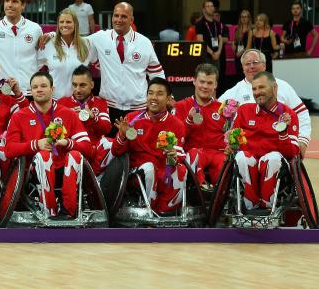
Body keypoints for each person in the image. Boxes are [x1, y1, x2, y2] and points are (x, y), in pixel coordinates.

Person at [3, 71, 91, 218]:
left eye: (43, 86)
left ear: (52, 89)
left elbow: (88, 148)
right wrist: (36, 144)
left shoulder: (68, 114)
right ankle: (49, 210)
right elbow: (9, 150)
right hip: (33, 171)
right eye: (35, 87)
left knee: (75, 155)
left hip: (64, 168)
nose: (39, 89)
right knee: (44, 156)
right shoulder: (19, 116)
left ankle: (69, 211)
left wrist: (68, 143)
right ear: (31, 91)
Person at [111, 78, 187, 214]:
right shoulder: (132, 119)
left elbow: (179, 156)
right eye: (150, 93)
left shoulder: (177, 124)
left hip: (164, 171)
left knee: (182, 171)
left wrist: (174, 156)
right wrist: (122, 136)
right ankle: (149, 212)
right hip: (136, 173)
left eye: (159, 94)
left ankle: (163, 212)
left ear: (168, 98)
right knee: (149, 167)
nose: (154, 97)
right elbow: (116, 151)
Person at [85, 2, 165, 132]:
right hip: (108, 107)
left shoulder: (144, 42)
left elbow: (157, 73)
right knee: (109, 147)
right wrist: (52, 35)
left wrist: (165, 97)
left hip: (138, 108)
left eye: (123, 16)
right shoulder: (100, 38)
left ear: (131, 19)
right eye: (116, 16)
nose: (118, 20)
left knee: (138, 149)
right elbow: (75, 42)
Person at [220, 49, 312, 156]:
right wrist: (229, 144)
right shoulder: (232, 93)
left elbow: (302, 114)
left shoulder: (282, 86)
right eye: (247, 64)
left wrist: (303, 141)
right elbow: (216, 121)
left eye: (255, 62)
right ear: (243, 69)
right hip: (247, 153)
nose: (251, 66)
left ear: (264, 65)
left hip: (278, 152)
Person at [230, 71, 300, 210]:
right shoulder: (244, 110)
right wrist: (230, 145)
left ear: (274, 88)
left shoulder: (287, 114)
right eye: (254, 89)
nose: (257, 92)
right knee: (242, 157)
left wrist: (283, 133)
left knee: (272, 158)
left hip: (274, 163)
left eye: (262, 87)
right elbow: (234, 142)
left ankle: (267, 203)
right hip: (248, 162)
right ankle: (251, 202)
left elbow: (292, 153)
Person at [172, 64, 227, 188]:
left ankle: (221, 195)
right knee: (194, 154)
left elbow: (229, 136)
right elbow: (175, 139)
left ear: (215, 85)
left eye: (209, 83)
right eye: (202, 82)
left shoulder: (223, 108)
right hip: (193, 152)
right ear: (194, 81)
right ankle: (202, 190)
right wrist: (189, 121)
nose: (205, 86)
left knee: (226, 162)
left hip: (218, 153)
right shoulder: (181, 106)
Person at [58, 65, 112, 175]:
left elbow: (106, 129)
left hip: (94, 152)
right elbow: (55, 132)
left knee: (110, 144)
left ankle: (93, 178)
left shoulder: (100, 103)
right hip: (72, 149)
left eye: (82, 85)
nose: (77, 90)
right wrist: (70, 117)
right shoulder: (62, 103)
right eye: (74, 85)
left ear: (91, 85)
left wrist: (93, 117)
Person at [37, 8, 90, 99]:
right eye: (61, 22)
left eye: (68, 22)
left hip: (78, 102)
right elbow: (33, 67)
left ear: (75, 24)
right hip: (55, 101)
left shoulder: (86, 44)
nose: (64, 25)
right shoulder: (48, 44)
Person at [233, 10, 253, 78]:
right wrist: (233, 44)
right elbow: (235, 41)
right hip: (238, 56)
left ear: (249, 18)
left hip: (247, 56)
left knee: (248, 75)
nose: (244, 19)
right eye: (242, 17)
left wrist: (240, 52)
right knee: (239, 75)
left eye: (246, 17)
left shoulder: (252, 29)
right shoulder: (237, 29)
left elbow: (249, 46)